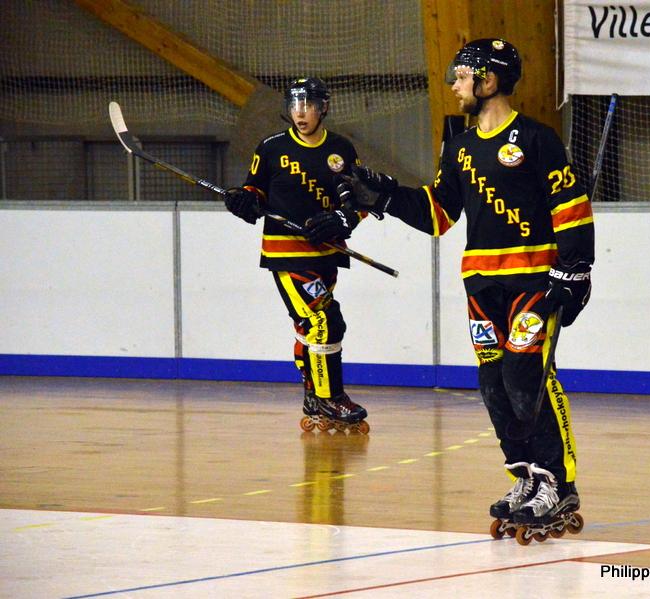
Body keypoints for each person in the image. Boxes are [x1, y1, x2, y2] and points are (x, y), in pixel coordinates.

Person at [346, 39, 594, 538]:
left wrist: (576, 271)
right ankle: (525, 475)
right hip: (481, 283)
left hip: (533, 279)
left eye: (462, 76)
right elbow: (439, 214)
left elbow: (571, 207)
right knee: (494, 383)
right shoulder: (458, 147)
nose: (455, 86)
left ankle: (557, 482)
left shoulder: (537, 139)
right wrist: (386, 196)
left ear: (489, 80)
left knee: (527, 374)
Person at [223, 77, 370, 434]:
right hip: (286, 253)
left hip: (327, 252)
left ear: (323, 108)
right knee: (325, 320)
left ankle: (312, 396)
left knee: (310, 326)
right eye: (295, 106)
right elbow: (254, 190)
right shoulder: (271, 147)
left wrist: (344, 218)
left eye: (308, 106)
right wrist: (244, 200)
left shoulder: (341, 149)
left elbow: (361, 200)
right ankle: (329, 396)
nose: (301, 113)